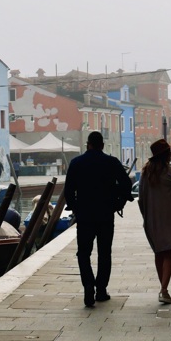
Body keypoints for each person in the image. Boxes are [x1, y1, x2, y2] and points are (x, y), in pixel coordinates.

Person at [63, 131, 133, 307]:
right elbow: (126, 185)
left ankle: (88, 284)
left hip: (85, 215)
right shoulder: (111, 162)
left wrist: (76, 208)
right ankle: (101, 290)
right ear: (102, 145)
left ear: (88, 145)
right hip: (105, 214)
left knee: (83, 253)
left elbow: (69, 191)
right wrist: (119, 203)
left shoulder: (76, 163)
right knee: (104, 252)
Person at [137, 139, 171, 304]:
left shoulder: (145, 174)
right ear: (166, 155)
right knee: (169, 253)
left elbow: (141, 200)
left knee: (159, 253)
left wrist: (146, 217)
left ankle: (163, 288)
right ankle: (164, 289)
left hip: (152, 219)